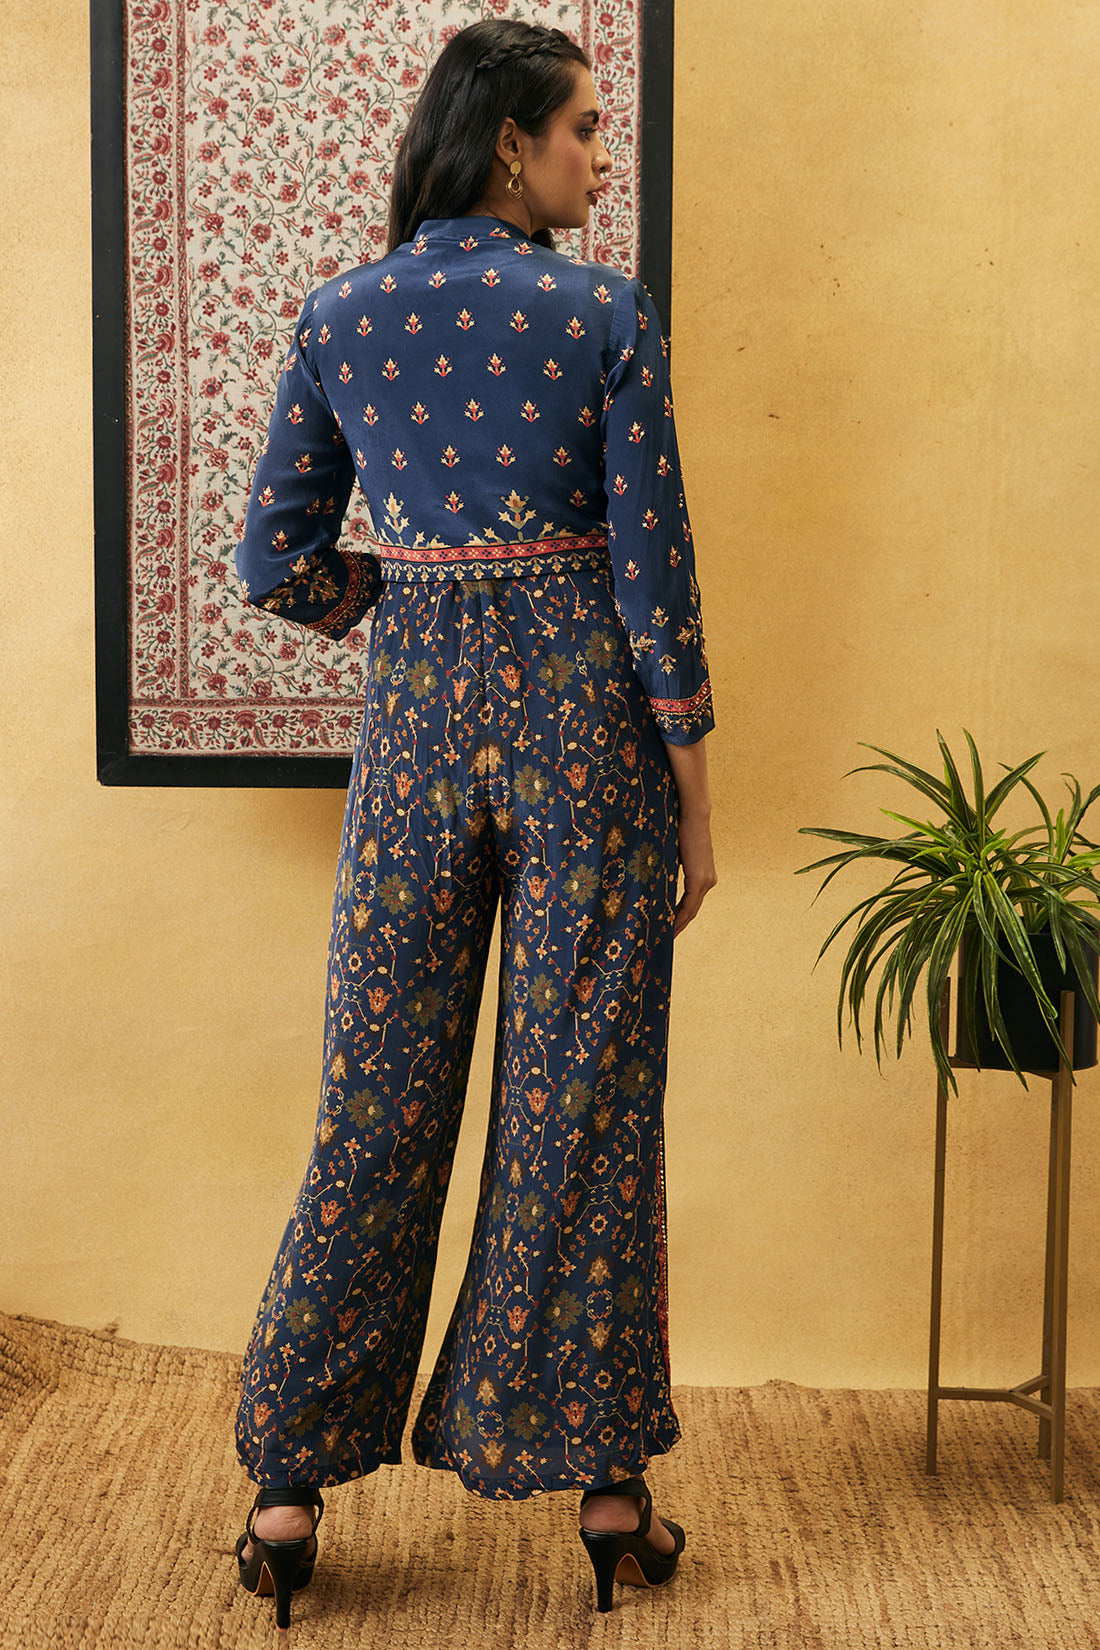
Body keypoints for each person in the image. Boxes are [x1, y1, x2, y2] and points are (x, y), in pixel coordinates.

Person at [230, 17, 717, 1627]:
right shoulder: (603, 314)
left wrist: (402, 593)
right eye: (583, 129)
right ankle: (606, 1494)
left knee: (374, 1100)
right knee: (585, 1107)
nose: (599, 158)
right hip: (588, 737)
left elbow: (274, 560)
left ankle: (287, 1491)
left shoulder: (339, 315)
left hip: (417, 735)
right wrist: (693, 795)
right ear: (512, 142)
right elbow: (654, 579)